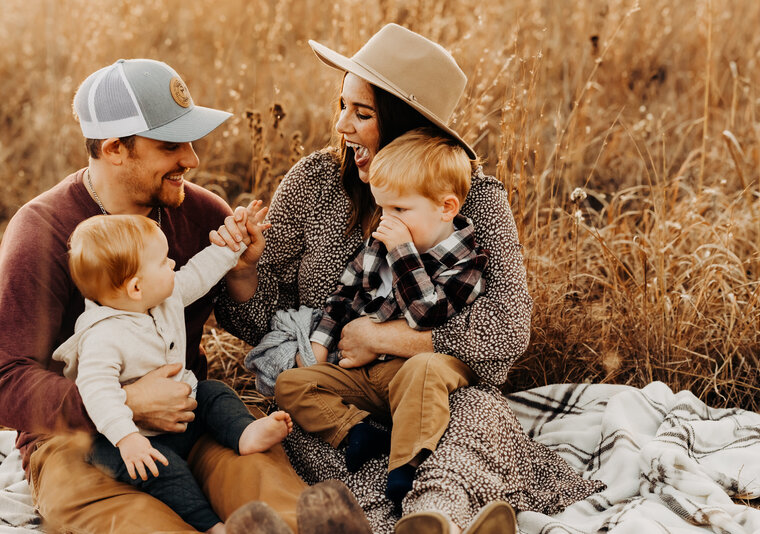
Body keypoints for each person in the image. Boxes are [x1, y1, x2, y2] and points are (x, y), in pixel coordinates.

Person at [214, 24, 605, 534]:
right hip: (344, 400)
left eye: (362, 112)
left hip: (440, 391)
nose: (341, 125)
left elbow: (506, 330)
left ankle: (433, 517)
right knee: (312, 424)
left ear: (405, 123)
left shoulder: (475, 199)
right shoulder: (313, 183)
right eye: (342, 106)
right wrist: (244, 272)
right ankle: (389, 520)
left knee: (472, 420)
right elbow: (265, 323)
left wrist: (380, 337)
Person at [0, 58, 372, 534]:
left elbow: (256, 329)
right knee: (138, 523)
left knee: (266, 486)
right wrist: (126, 403)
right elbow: (8, 381)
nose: (192, 160)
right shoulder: (43, 231)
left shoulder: (200, 213)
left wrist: (242, 273)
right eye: (171, 146)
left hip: (190, 416)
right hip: (76, 439)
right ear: (115, 148)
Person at [274, 129, 488, 508]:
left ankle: (404, 468)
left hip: (418, 372)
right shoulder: (378, 245)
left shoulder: (465, 264)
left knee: (424, 369)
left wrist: (403, 252)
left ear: (446, 207)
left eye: (400, 210)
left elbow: (426, 314)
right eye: (383, 209)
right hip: (366, 378)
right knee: (291, 383)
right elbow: (342, 296)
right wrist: (321, 345)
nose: (386, 222)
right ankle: (357, 431)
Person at [54, 213, 296, 534]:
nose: (173, 265)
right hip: (128, 440)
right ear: (136, 287)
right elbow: (97, 391)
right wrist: (127, 439)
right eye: (163, 261)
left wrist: (234, 246)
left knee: (214, 394)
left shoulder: (165, 295)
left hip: (183, 418)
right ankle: (209, 525)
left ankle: (244, 433)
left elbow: (199, 271)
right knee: (166, 472)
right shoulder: (103, 336)